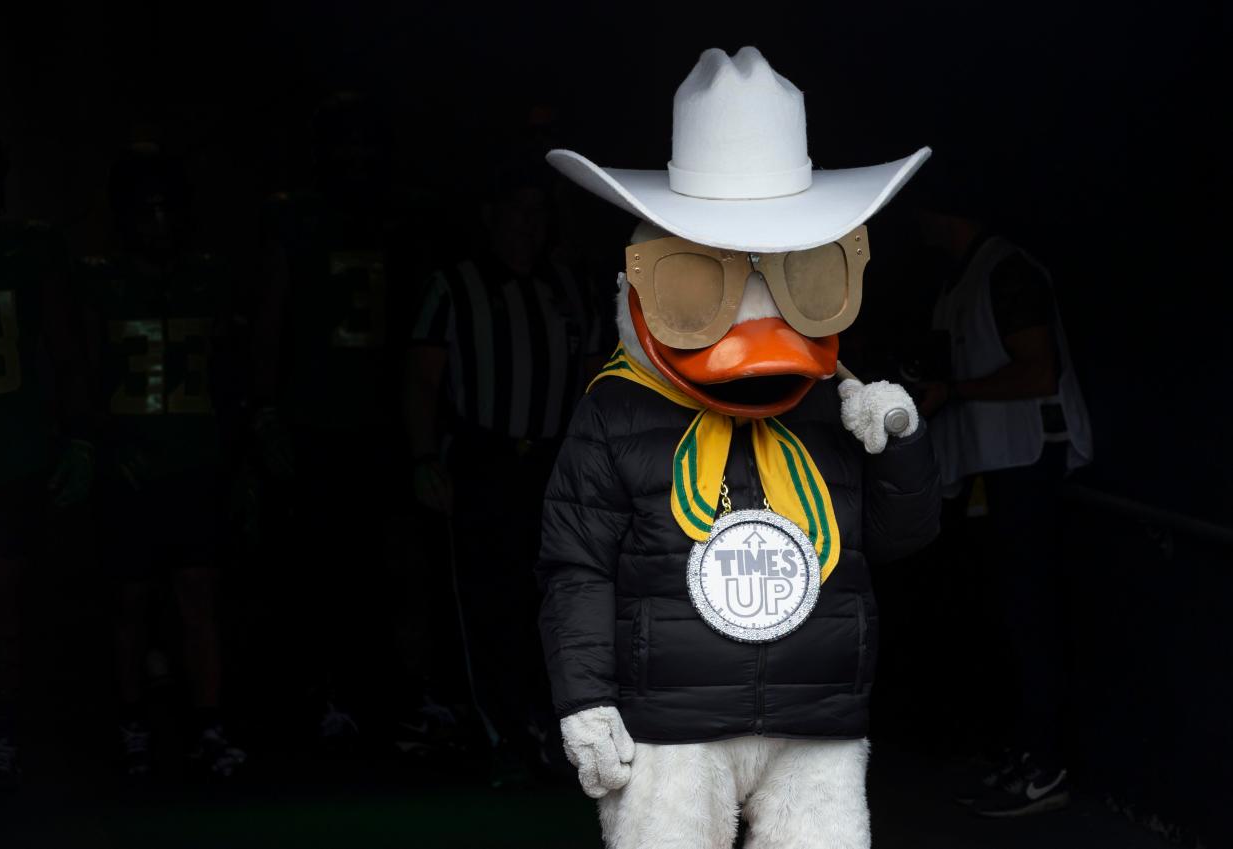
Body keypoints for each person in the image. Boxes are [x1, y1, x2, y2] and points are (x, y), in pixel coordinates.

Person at [535, 47, 939, 848]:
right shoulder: (616, 410)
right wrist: (584, 698)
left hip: (814, 724)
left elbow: (902, 537)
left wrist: (900, 447)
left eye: (798, 278)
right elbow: (576, 565)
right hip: (672, 728)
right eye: (701, 282)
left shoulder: (836, 403)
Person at [406, 152, 605, 780]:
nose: (526, 225)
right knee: (487, 597)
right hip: (486, 460)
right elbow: (421, 381)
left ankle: (550, 727)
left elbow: (598, 376)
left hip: (553, 465)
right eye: (515, 213)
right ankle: (497, 729)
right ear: (491, 219)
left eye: (536, 214)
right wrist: (422, 458)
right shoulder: (456, 286)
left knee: (555, 599)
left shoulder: (568, 286)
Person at [915, 205, 1093, 816]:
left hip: (1029, 460)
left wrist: (954, 392)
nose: (918, 223)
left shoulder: (1007, 269)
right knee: (1007, 613)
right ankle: (1025, 754)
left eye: (923, 209)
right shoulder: (958, 279)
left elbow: (1039, 370)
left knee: (1032, 614)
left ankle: (1046, 766)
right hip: (991, 466)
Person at [252, 91, 416, 747]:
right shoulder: (298, 218)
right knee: (319, 571)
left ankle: (377, 697)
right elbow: (270, 312)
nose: (356, 157)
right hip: (319, 417)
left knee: (382, 570)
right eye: (345, 144)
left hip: (380, 417)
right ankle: (322, 698)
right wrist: (264, 407)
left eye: (363, 143)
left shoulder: (398, 218)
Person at [80, 143, 245, 779]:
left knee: (197, 595)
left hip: (194, 465)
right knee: (130, 601)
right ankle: (132, 724)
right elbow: (82, 367)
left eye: (166, 208)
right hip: (130, 467)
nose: (157, 222)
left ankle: (207, 723)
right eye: (143, 210)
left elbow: (231, 370)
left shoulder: (207, 276)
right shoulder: (98, 278)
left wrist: (236, 444)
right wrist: (98, 443)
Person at [0, 130, 93, 790]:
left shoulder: (29, 249)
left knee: (2, 601)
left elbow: (65, 346)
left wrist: (80, 435)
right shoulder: (29, 249)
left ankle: (1, 729)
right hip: (15, 450)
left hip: (12, 454)